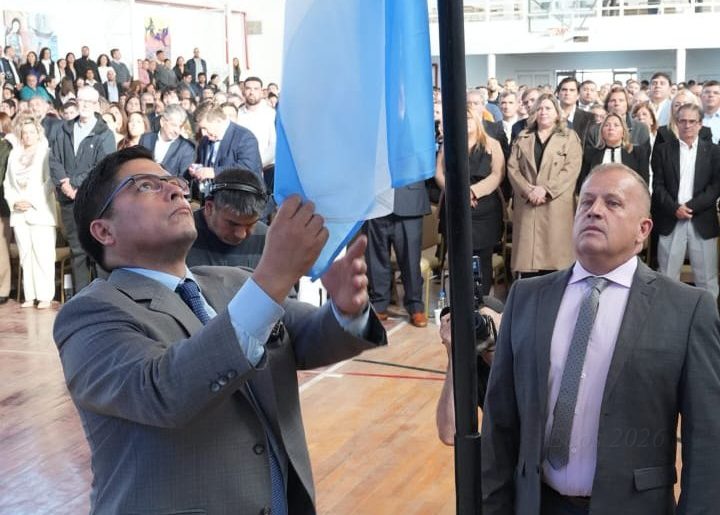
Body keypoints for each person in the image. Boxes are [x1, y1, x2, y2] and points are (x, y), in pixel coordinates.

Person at [53, 145, 386, 514]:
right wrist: (272, 278)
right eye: (145, 186)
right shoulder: (90, 313)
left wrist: (345, 310)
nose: (175, 190)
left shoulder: (234, 281)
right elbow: (162, 391)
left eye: (172, 181)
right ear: (104, 230)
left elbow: (306, 335)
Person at [482, 163, 720, 514]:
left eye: (612, 203)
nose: (594, 210)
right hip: (537, 503)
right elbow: (499, 422)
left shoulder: (687, 309)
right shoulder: (526, 297)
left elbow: (708, 441)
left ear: (643, 230)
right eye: (586, 201)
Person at [506, 93, 582, 278]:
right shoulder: (523, 137)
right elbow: (512, 168)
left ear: (557, 112)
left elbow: (571, 169)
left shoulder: (569, 137)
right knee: (528, 269)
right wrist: (528, 190)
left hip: (555, 207)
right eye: (539, 108)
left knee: (556, 266)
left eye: (548, 108)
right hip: (528, 205)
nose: (543, 112)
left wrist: (546, 190)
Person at [49, 86, 116, 292]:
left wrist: (76, 184)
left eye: (89, 102)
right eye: (81, 100)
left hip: (93, 200)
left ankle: (103, 297)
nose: (84, 105)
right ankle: (81, 298)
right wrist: (64, 183)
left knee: (97, 249)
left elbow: (102, 166)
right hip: (68, 200)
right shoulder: (63, 129)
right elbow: (54, 159)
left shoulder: (105, 133)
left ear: (96, 105)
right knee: (77, 251)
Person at [652, 103, 720, 299]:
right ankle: (667, 315)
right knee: (667, 277)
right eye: (682, 121)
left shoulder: (714, 151)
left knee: (707, 279)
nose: (687, 125)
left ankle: (707, 317)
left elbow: (716, 187)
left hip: (702, 220)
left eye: (692, 121)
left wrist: (689, 207)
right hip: (671, 218)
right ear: (676, 123)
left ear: (700, 124)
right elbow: (657, 186)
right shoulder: (663, 150)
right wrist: (675, 209)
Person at [436, 106, 505, 295]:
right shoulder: (449, 144)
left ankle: (481, 302)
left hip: (484, 210)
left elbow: (497, 174)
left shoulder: (492, 144)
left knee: (483, 260)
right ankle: (459, 301)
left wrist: (473, 192)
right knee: (458, 257)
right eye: (462, 117)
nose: (465, 121)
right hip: (455, 206)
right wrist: (459, 194)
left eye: (469, 118)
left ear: (477, 120)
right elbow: (439, 174)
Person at [3, 116, 56, 308]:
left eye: (32, 132)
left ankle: (44, 296)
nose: (28, 136)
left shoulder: (45, 152)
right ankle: (30, 295)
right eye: (24, 133)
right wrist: (14, 202)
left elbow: (49, 181)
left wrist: (31, 201)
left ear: (38, 133)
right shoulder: (14, 154)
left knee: (43, 255)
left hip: (40, 211)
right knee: (26, 256)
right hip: (19, 213)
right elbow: (7, 183)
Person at [366, 178, 431, 327]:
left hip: (409, 195)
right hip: (375, 196)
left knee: (411, 258)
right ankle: (379, 304)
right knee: (375, 258)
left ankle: (415, 306)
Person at [187, 168, 268, 270]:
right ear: (209, 208)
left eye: (251, 224)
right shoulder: (180, 235)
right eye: (232, 224)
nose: (241, 234)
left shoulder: (269, 240)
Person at [578, 113, 649, 190]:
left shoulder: (637, 153)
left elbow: (643, 182)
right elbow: (584, 182)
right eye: (607, 125)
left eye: (616, 125)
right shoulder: (591, 154)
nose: (611, 128)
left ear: (623, 132)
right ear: (601, 132)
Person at [194, 104, 262, 182]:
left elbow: (247, 169)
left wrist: (214, 172)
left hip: (238, 188)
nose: (203, 133)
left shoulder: (245, 138)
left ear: (218, 121)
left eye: (205, 128)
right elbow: (201, 164)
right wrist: (196, 170)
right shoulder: (205, 141)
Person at [138, 104, 195, 177]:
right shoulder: (145, 139)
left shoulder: (186, 149)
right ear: (162, 122)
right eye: (174, 125)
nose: (177, 131)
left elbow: (183, 180)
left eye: (180, 126)